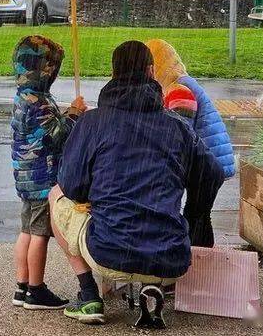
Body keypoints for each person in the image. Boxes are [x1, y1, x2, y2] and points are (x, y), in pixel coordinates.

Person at [50, 41, 224, 326]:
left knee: (54, 194)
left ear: (113, 73)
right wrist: (193, 219)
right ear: (151, 71)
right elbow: (212, 174)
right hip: (170, 257)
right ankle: (152, 284)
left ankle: (89, 293)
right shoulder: (177, 126)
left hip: (108, 251)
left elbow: (72, 186)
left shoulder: (93, 122)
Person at [9, 36, 86, 310]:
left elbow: (41, 131)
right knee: (40, 233)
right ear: (46, 69)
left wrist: (65, 113)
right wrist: (75, 114)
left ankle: (21, 285)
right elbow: (55, 137)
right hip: (43, 179)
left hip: (25, 176)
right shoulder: (39, 101)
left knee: (27, 230)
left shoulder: (23, 97)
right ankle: (36, 289)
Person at [146, 39, 235, 247]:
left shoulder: (179, 89)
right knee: (199, 216)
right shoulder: (180, 83)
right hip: (210, 161)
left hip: (207, 166)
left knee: (196, 217)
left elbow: (178, 133)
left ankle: (198, 265)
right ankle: (200, 263)